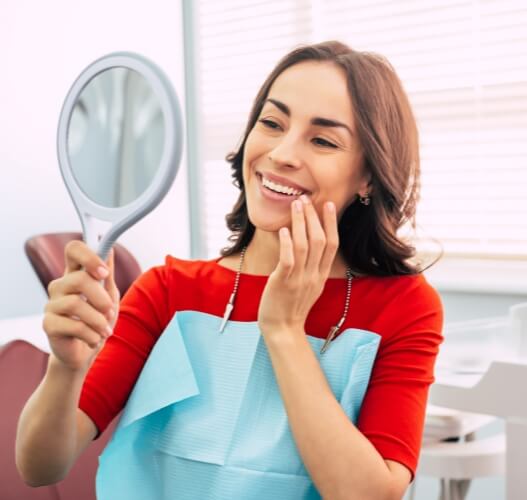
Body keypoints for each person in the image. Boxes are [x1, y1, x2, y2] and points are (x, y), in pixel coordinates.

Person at [16, 41, 443, 499]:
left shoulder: (404, 308)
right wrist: (64, 368)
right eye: (272, 123)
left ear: (368, 177)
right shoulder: (168, 291)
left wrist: (282, 329)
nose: (281, 153)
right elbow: (41, 465)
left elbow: (367, 495)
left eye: (322, 140)